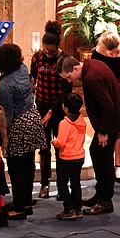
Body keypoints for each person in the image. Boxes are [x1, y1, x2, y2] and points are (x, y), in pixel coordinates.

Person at [56, 55, 120, 215]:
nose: (70, 82)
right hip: (108, 124)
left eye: (69, 77)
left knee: (104, 161)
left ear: (76, 68)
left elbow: (107, 105)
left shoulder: (91, 78)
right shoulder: (93, 64)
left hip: (109, 126)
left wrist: (104, 132)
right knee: (95, 154)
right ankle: (100, 195)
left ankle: (105, 201)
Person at [0, 44, 46, 220]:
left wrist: (1, 136)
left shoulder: (5, 85)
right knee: (28, 164)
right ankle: (26, 201)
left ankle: (19, 208)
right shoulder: (22, 68)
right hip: (32, 118)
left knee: (16, 167)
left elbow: (7, 114)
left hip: (18, 126)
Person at [30, 20, 72, 199]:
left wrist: (52, 111)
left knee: (60, 146)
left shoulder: (65, 59)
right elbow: (33, 77)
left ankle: (63, 185)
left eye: (51, 51)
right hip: (41, 104)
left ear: (58, 46)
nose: (48, 54)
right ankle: (45, 183)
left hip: (59, 106)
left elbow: (67, 89)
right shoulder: (37, 57)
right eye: (45, 50)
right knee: (44, 146)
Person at [91, 31, 120, 182]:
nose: (116, 56)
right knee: (103, 147)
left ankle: (118, 166)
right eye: (112, 53)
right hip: (109, 94)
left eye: (118, 52)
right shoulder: (97, 56)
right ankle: (108, 178)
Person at [51, 92, 86, 220]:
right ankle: (78, 209)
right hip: (79, 157)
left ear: (65, 108)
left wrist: (54, 142)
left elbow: (61, 142)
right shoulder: (81, 120)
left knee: (62, 183)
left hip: (67, 158)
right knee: (76, 183)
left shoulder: (64, 124)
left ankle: (69, 209)